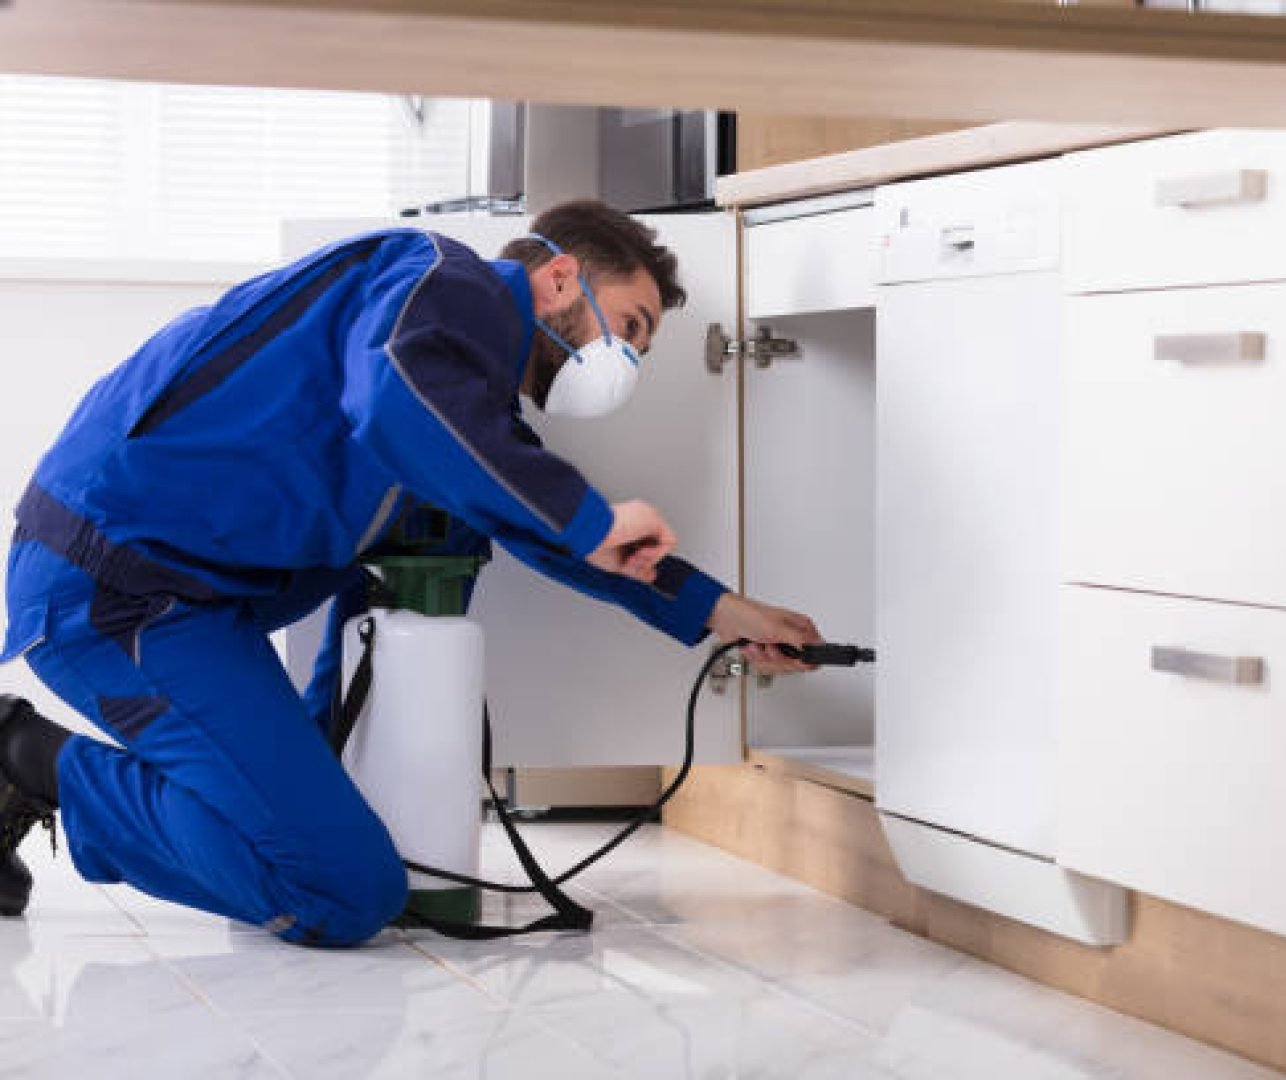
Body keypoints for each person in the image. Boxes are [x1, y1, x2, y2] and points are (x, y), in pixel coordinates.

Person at [0, 200, 822, 945]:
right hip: (107, 592)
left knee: (457, 521)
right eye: (631, 327)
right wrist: (589, 519)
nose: (630, 362)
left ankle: (301, 790)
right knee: (342, 890)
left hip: (195, 608)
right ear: (561, 280)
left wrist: (724, 612)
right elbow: (400, 396)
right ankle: (24, 761)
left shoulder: (468, 420)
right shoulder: (436, 278)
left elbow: (547, 536)